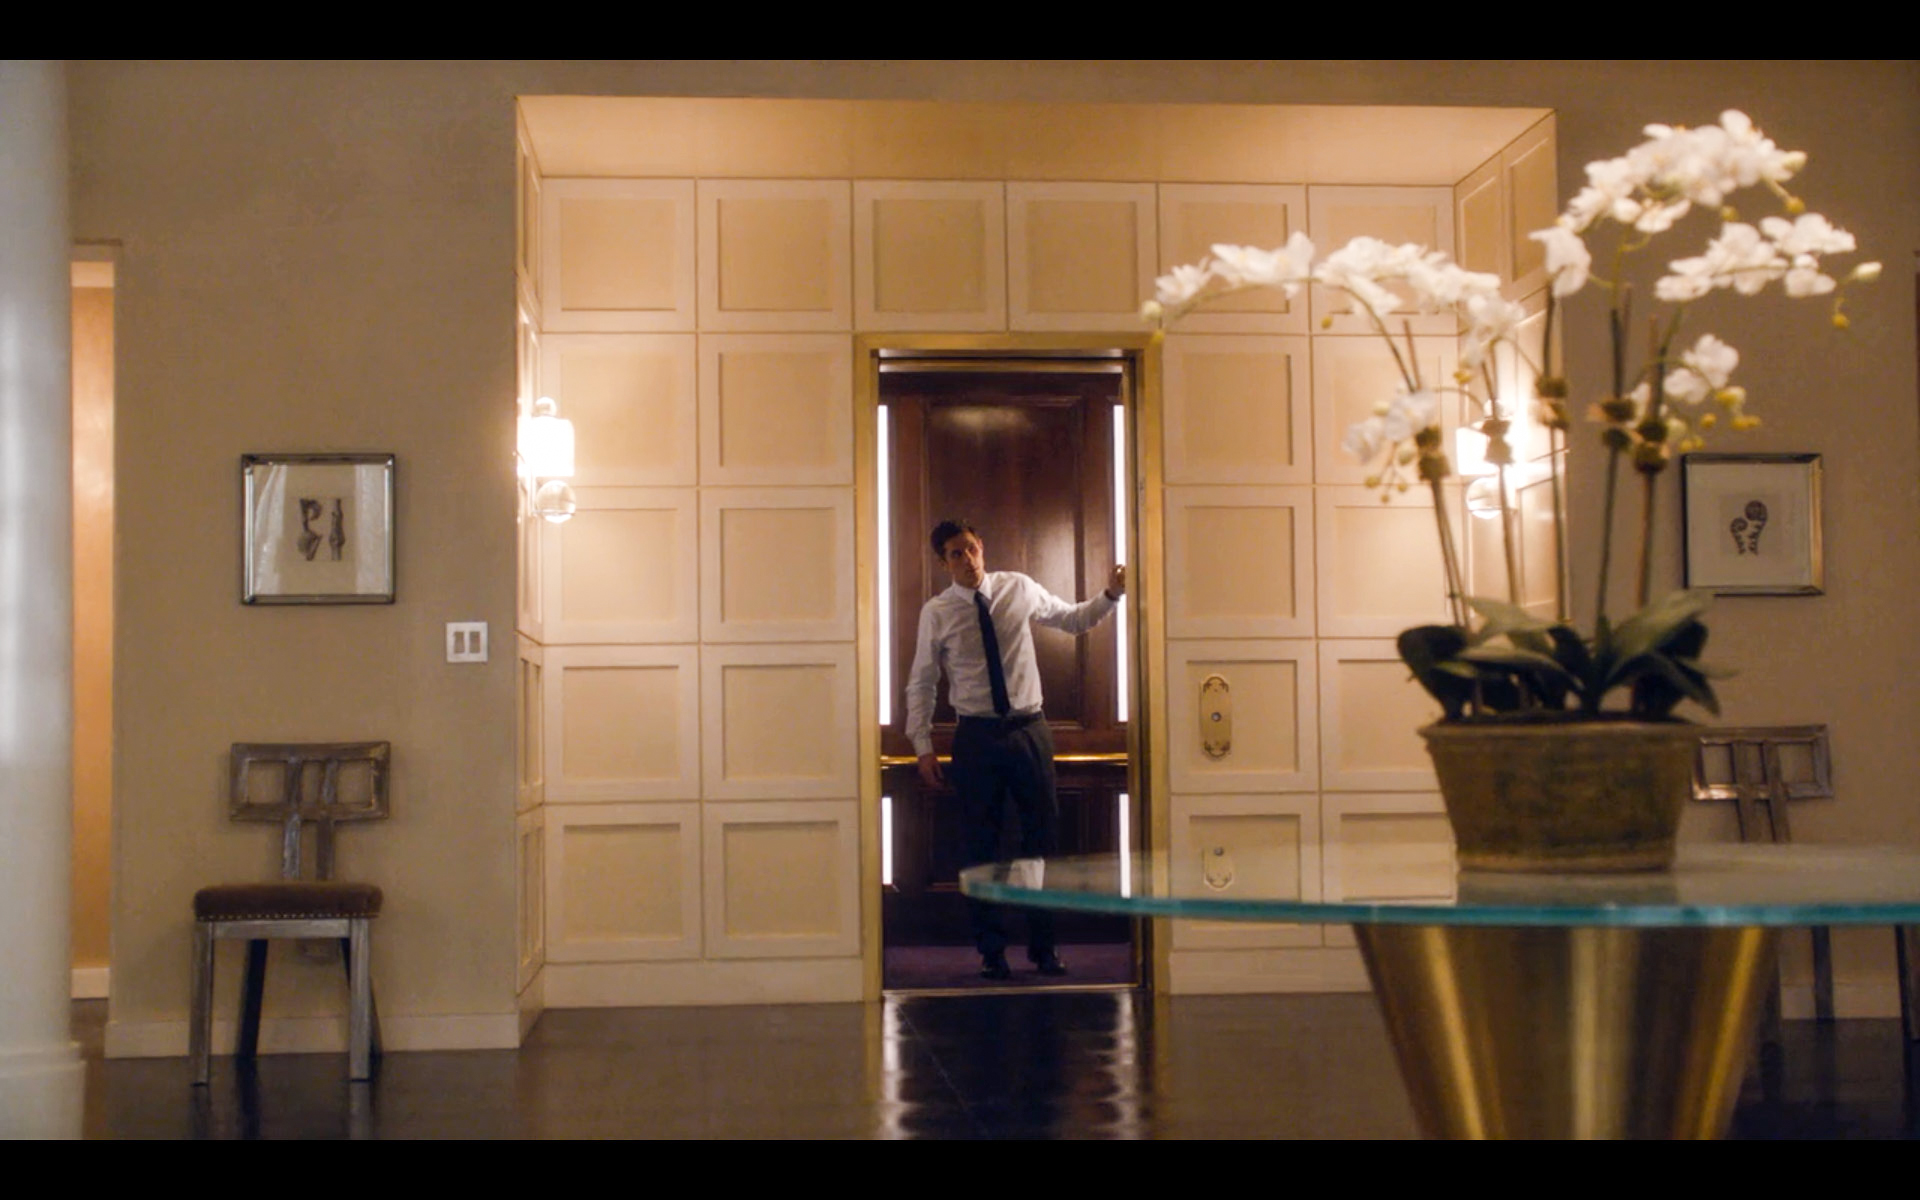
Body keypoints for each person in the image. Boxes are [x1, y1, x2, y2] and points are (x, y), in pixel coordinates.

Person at [904, 518, 1125, 981]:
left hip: (1029, 730)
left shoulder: (1018, 588)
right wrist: (922, 746)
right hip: (976, 737)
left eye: (971, 549)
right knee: (980, 847)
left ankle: (1045, 948)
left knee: (1041, 843)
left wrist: (1110, 595)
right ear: (944, 563)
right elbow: (922, 682)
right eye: (956, 554)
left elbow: (1072, 619)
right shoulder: (937, 612)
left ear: (981, 546)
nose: (967, 560)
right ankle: (992, 952)